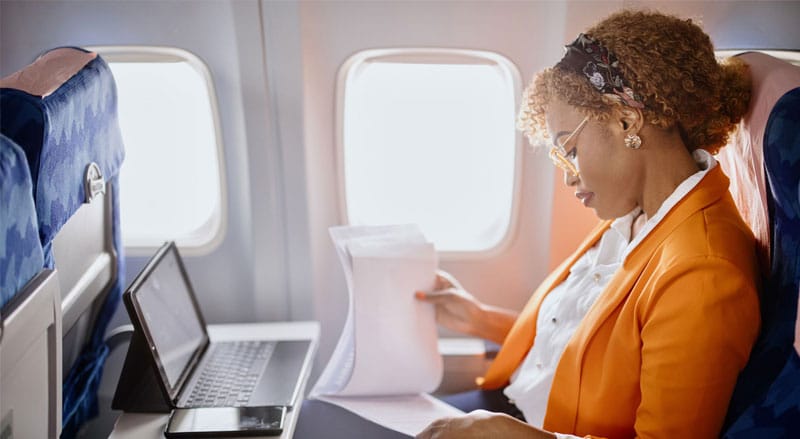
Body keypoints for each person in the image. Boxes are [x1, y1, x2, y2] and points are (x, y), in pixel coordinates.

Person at [416, 10, 760, 439]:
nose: (568, 175)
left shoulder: (703, 273)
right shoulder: (639, 214)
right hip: (509, 407)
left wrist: (513, 436)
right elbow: (582, 348)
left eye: (570, 150)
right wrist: (480, 319)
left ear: (627, 120)